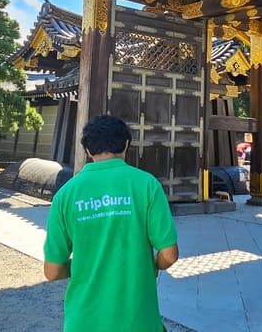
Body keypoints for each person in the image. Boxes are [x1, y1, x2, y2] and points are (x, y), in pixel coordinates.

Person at [44, 114, 179, 332]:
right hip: (139, 322)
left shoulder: (65, 195)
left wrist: (83, 266)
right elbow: (169, 254)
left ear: (87, 150)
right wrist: (153, 265)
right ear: (126, 145)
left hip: (83, 322)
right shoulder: (146, 185)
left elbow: (52, 271)